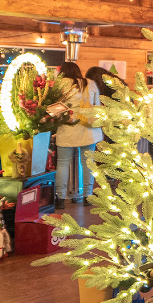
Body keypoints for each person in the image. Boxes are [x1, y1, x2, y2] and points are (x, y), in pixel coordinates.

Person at [54, 62, 103, 208]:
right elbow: (97, 106)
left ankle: (60, 198)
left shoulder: (58, 85)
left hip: (66, 128)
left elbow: (53, 108)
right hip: (88, 129)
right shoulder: (89, 83)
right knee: (88, 163)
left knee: (63, 163)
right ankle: (88, 196)